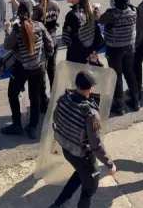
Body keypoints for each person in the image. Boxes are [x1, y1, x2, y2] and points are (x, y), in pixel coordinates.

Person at [49, 71, 116, 208]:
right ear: (90, 88)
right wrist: (110, 164)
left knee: (80, 174)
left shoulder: (63, 99)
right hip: (84, 157)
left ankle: (58, 204)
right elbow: (96, 145)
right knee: (89, 189)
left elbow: (56, 119)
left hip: (67, 149)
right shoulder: (91, 114)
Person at [1, 1, 53, 139]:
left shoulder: (16, 30)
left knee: (13, 94)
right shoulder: (39, 26)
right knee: (34, 97)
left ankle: (17, 124)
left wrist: (7, 30)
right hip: (38, 67)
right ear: (31, 13)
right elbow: (50, 45)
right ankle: (33, 127)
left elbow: (8, 46)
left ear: (18, 13)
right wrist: (44, 58)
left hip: (21, 68)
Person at [98, 0, 138, 115]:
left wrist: (96, 9)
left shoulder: (112, 14)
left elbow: (99, 20)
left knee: (117, 76)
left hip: (115, 49)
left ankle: (119, 105)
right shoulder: (133, 10)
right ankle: (135, 101)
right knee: (130, 72)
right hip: (130, 47)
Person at [35, 0, 61, 108]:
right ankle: (56, 95)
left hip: (43, 43)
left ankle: (43, 101)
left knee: (42, 72)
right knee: (52, 69)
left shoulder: (37, 9)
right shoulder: (55, 5)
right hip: (54, 39)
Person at [62, 0, 103, 64]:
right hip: (91, 53)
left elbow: (73, 39)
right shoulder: (93, 10)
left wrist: (86, 53)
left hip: (76, 55)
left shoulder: (72, 15)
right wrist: (93, 50)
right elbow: (97, 33)